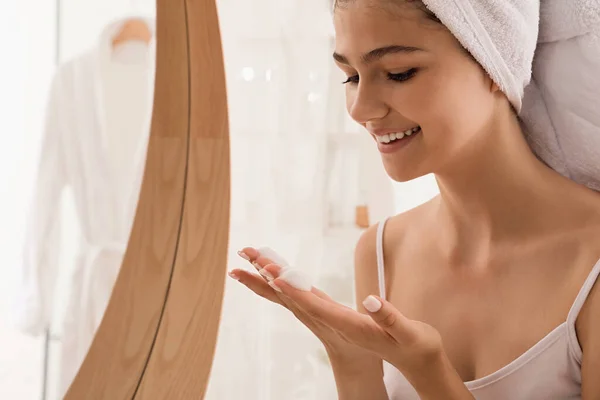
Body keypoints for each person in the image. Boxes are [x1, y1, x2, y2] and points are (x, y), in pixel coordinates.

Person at [229, 0, 600, 398]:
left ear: (494, 63)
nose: (360, 108)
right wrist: (350, 357)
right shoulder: (382, 250)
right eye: (351, 76)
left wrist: (428, 371)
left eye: (398, 73)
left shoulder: (590, 260)